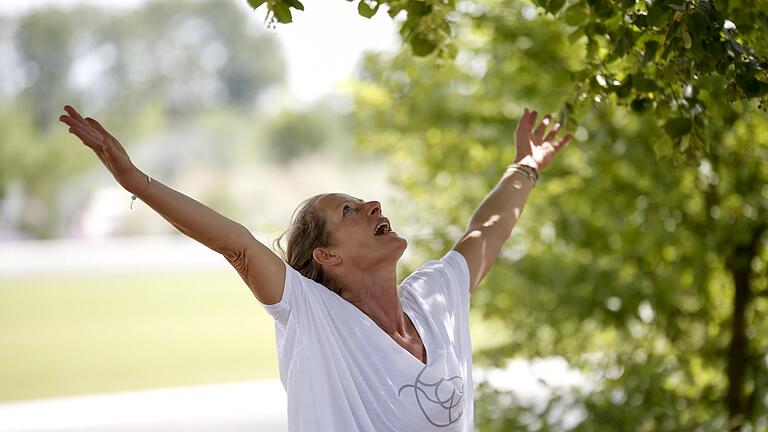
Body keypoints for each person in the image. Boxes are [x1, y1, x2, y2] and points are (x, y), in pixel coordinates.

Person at [59, 104, 571, 431]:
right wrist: (136, 181)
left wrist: (524, 166)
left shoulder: (434, 299)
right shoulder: (313, 316)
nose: (373, 205)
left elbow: (486, 233)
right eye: (348, 210)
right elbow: (235, 243)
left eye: (363, 201)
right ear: (326, 257)